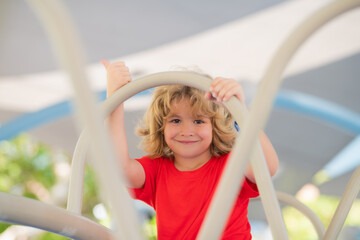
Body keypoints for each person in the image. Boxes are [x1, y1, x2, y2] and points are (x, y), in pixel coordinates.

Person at [101, 60, 279, 240]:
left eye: (198, 121)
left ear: (214, 126)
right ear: (162, 127)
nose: (186, 131)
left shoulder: (231, 165)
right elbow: (120, 169)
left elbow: (267, 167)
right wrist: (114, 97)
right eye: (176, 121)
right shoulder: (157, 170)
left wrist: (241, 112)